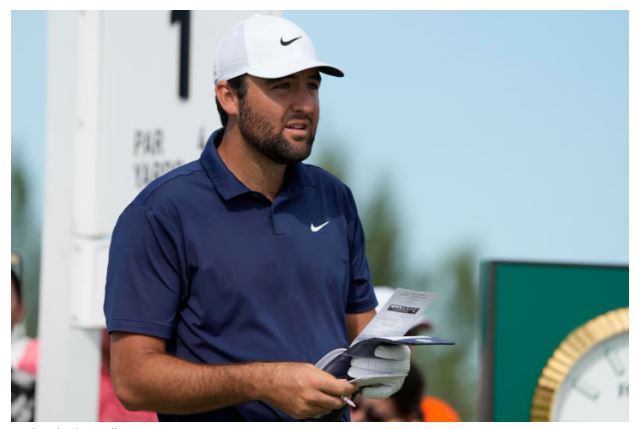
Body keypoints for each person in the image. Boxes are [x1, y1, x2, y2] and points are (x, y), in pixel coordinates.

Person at [103, 14, 410, 422]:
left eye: (312, 85)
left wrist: (381, 361)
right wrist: (263, 383)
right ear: (229, 96)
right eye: (283, 85)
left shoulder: (335, 199)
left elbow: (359, 333)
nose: (305, 104)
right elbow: (133, 380)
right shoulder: (160, 213)